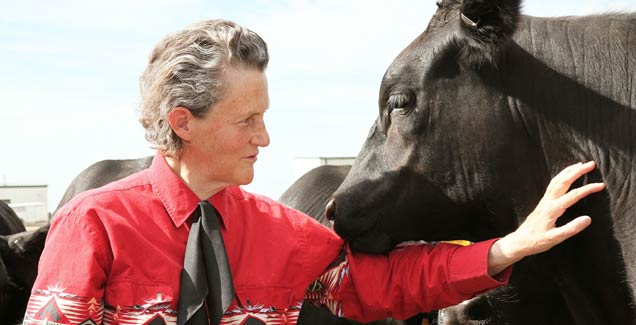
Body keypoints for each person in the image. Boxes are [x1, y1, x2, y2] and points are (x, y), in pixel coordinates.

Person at [22, 19, 604, 325]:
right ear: (184, 121)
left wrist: (510, 247)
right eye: (246, 119)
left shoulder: (285, 234)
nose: (265, 137)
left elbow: (387, 286)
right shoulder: (91, 225)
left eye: (265, 116)